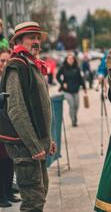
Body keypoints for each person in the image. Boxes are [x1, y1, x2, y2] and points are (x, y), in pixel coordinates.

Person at [0, 21, 55, 212]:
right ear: (20, 40)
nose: (37, 41)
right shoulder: (17, 65)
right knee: (33, 200)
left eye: (38, 37)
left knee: (40, 193)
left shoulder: (31, 64)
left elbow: (39, 108)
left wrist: (48, 139)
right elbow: (17, 110)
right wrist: (34, 145)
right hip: (24, 145)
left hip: (35, 144)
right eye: (32, 37)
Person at [0, 48, 21, 208]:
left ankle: (8, 191)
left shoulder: (10, 77)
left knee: (8, 160)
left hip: (9, 125)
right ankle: (1, 196)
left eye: (8, 61)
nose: (5, 64)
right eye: (2, 61)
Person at [56, 53, 87, 127]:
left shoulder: (77, 68)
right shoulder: (63, 67)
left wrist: (84, 87)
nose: (70, 60)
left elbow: (80, 78)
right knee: (72, 105)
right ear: (66, 60)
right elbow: (57, 76)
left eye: (72, 59)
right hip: (67, 91)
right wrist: (62, 83)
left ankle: (74, 116)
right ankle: (73, 120)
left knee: (76, 106)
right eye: (69, 59)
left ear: (74, 60)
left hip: (75, 90)